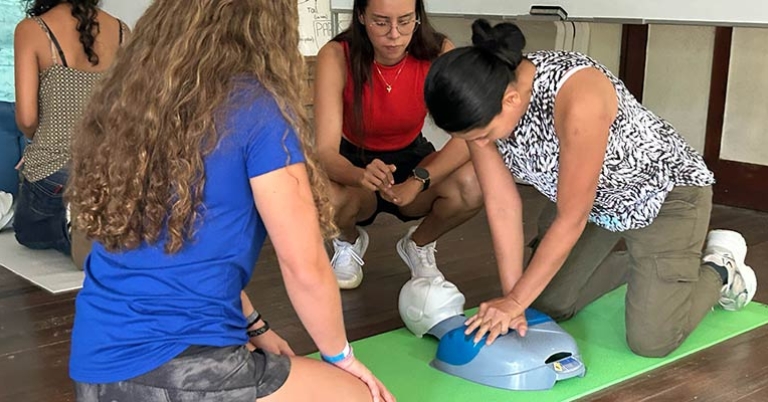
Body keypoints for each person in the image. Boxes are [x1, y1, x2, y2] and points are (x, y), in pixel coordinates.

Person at [66, 1, 394, 401]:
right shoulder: (260, 109)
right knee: (358, 396)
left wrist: (254, 325)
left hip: (94, 368)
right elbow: (304, 265)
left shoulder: (135, 99)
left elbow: (188, 245)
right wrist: (342, 358)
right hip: (178, 374)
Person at [424, 19, 757, 358]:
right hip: (594, 203)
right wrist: (515, 300)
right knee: (545, 304)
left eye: (481, 136)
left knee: (652, 340)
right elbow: (502, 205)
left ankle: (720, 265)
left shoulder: (576, 95)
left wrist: (514, 301)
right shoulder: (484, 103)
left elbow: (571, 217)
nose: (479, 144)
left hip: (662, 198)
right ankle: (652, 270)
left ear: (511, 100)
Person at [314, 0, 484, 289]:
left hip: (414, 160)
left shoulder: (438, 51)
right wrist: (359, 175)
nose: (394, 34)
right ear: (361, 16)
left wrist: (419, 180)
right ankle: (348, 242)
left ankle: (418, 244)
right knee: (317, 191)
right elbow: (325, 151)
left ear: (417, 17)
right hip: (354, 162)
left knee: (475, 182)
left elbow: (471, 136)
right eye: (381, 22)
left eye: (405, 21)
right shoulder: (336, 54)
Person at [13, 0, 127, 255]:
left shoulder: (32, 30)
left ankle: (68, 228)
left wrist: (42, 142)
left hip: (58, 173)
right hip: (111, 173)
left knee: (26, 232)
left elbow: (27, 119)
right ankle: (103, 231)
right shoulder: (121, 31)